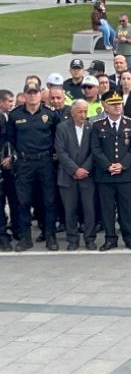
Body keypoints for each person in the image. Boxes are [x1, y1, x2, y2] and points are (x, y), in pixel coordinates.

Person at [6, 82, 62, 251]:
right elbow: (11, 139)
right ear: (24, 95)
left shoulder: (49, 114)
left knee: (49, 201)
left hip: (45, 162)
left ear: (40, 94)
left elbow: (58, 134)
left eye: (35, 92)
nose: (32, 96)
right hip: (24, 163)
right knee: (23, 202)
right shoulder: (15, 115)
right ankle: (25, 238)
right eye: (29, 93)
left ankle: (50, 236)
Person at [91, 91, 131, 251]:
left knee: (126, 208)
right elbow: (95, 149)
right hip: (105, 175)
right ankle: (110, 238)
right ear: (105, 106)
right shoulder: (98, 126)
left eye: (119, 103)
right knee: (107, 209)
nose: (117, 106)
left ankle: (129, 238)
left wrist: (122, 165)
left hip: (124, 174)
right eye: (113, 104)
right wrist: (108, 165)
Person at [54, 100, 97, 251]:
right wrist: (74, 170)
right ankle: (72, 239)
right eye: (80, 112)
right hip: (67, 176)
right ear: (72, 113)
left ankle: (90, 238)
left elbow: (95, 151)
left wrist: (84, 168)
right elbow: (61, 152)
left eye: (85, 111)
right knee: (70, 210)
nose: (83, 115)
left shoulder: (91, 127)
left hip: (87, 176)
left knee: (89, 210)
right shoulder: (62, 128)